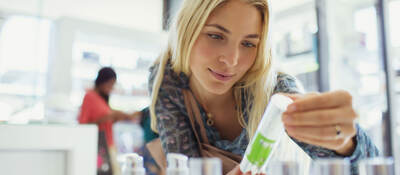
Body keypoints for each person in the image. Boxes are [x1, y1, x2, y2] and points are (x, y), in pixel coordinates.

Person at [148, 0, 379, 175]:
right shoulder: (168, 78)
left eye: (249, 43)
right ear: (187, 29)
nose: (232, 60)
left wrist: (347, 144)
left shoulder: (277, 93)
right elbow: (182, 166)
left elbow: (366, 166)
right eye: (216, 36)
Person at [78, 67, 134, 175]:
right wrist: (106, 118)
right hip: (98, 145)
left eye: (113, 84)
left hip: (109, 143)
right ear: (102, 80)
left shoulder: (102, 98)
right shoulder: (89, 97)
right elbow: (83, 125)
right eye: (110, 84)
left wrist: (115, 118)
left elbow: (106, 121)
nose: (111, 87)